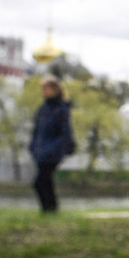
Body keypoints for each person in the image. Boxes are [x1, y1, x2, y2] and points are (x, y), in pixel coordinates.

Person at [28, 75, 74, 213]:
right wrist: (33, 147)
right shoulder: (43, 109)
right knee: (45, 181)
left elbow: (65, 132)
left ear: (54, 89)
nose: (44, 91)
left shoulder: (61, 109)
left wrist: (57, 148)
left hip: (52, 151)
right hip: (41, 150)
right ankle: (50, 209)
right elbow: (37, 130)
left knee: (40, 181)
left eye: (46, 88)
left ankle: (49, 209)